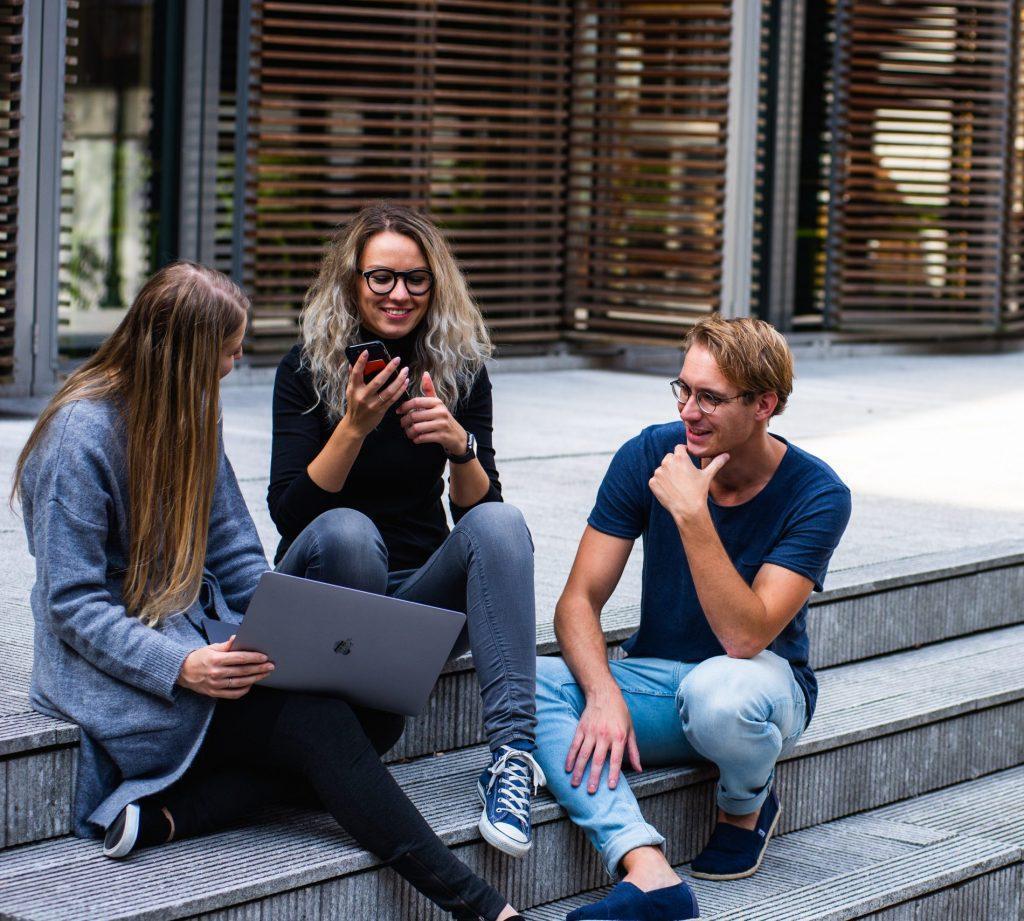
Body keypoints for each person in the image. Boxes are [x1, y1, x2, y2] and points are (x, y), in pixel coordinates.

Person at [13, 262, 525, 921]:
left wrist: (288, 634)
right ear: (182, 352)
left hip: (205, 644)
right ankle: (480, 905)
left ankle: (178, 812)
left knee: (377, 715)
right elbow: (73, 605)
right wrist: (183, 665)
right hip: (126, 675)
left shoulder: (191, 413)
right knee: (320, 723)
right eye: (225, 353)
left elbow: (236, 554)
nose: (230, 367)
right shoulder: (77, 438)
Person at [533, 315, 852, 921]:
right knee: (527, 681)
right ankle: (645, 868)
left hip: (758, 686)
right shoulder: (649, 453)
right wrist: (601, 693)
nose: (689, 411)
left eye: (710, 397)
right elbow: (577, 601)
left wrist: (692, 515)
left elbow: (745, 635)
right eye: (683, 389)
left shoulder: (818, 494)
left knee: (719, 693)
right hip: (657, 680)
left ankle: (745, 801)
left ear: (765, 404)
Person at [268, 200, 543, 858]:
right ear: (351, 281)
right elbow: (291, 514)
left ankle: (512, 759)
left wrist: (460, 447)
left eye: (416, 278)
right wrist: (354, 426)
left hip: (415, 603)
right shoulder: (305, 370)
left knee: (503, 523)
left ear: (435, 283)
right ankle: (345, 728)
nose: (399, 293)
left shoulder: (458, 370)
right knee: (349, 533)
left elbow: (482, 521)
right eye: (381, 277)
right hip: (328, 589)